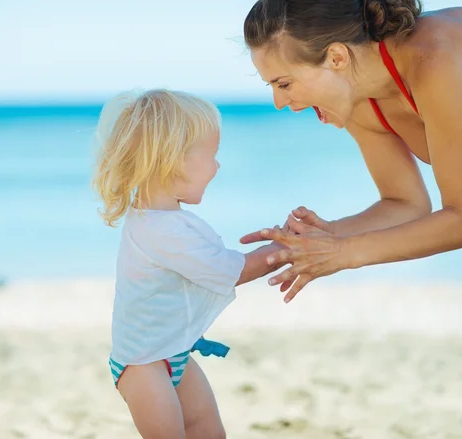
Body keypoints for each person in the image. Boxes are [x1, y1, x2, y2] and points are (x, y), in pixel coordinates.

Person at [239, 0, 462, 303]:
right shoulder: (358, 92)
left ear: (336, 57)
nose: (279, 102)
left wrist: (345, 253)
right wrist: (326, 237)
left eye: (284, 83)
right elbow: (406, 204)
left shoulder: (436, 59)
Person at [91, 88, 282, 439]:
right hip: (144, 365)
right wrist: (283, 251)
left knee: (208, 432)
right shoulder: (161, 230)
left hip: (172, 352)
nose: (218, 165)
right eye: (213, 154)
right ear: (177, 160)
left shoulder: (161, 217)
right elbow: (229, 270)